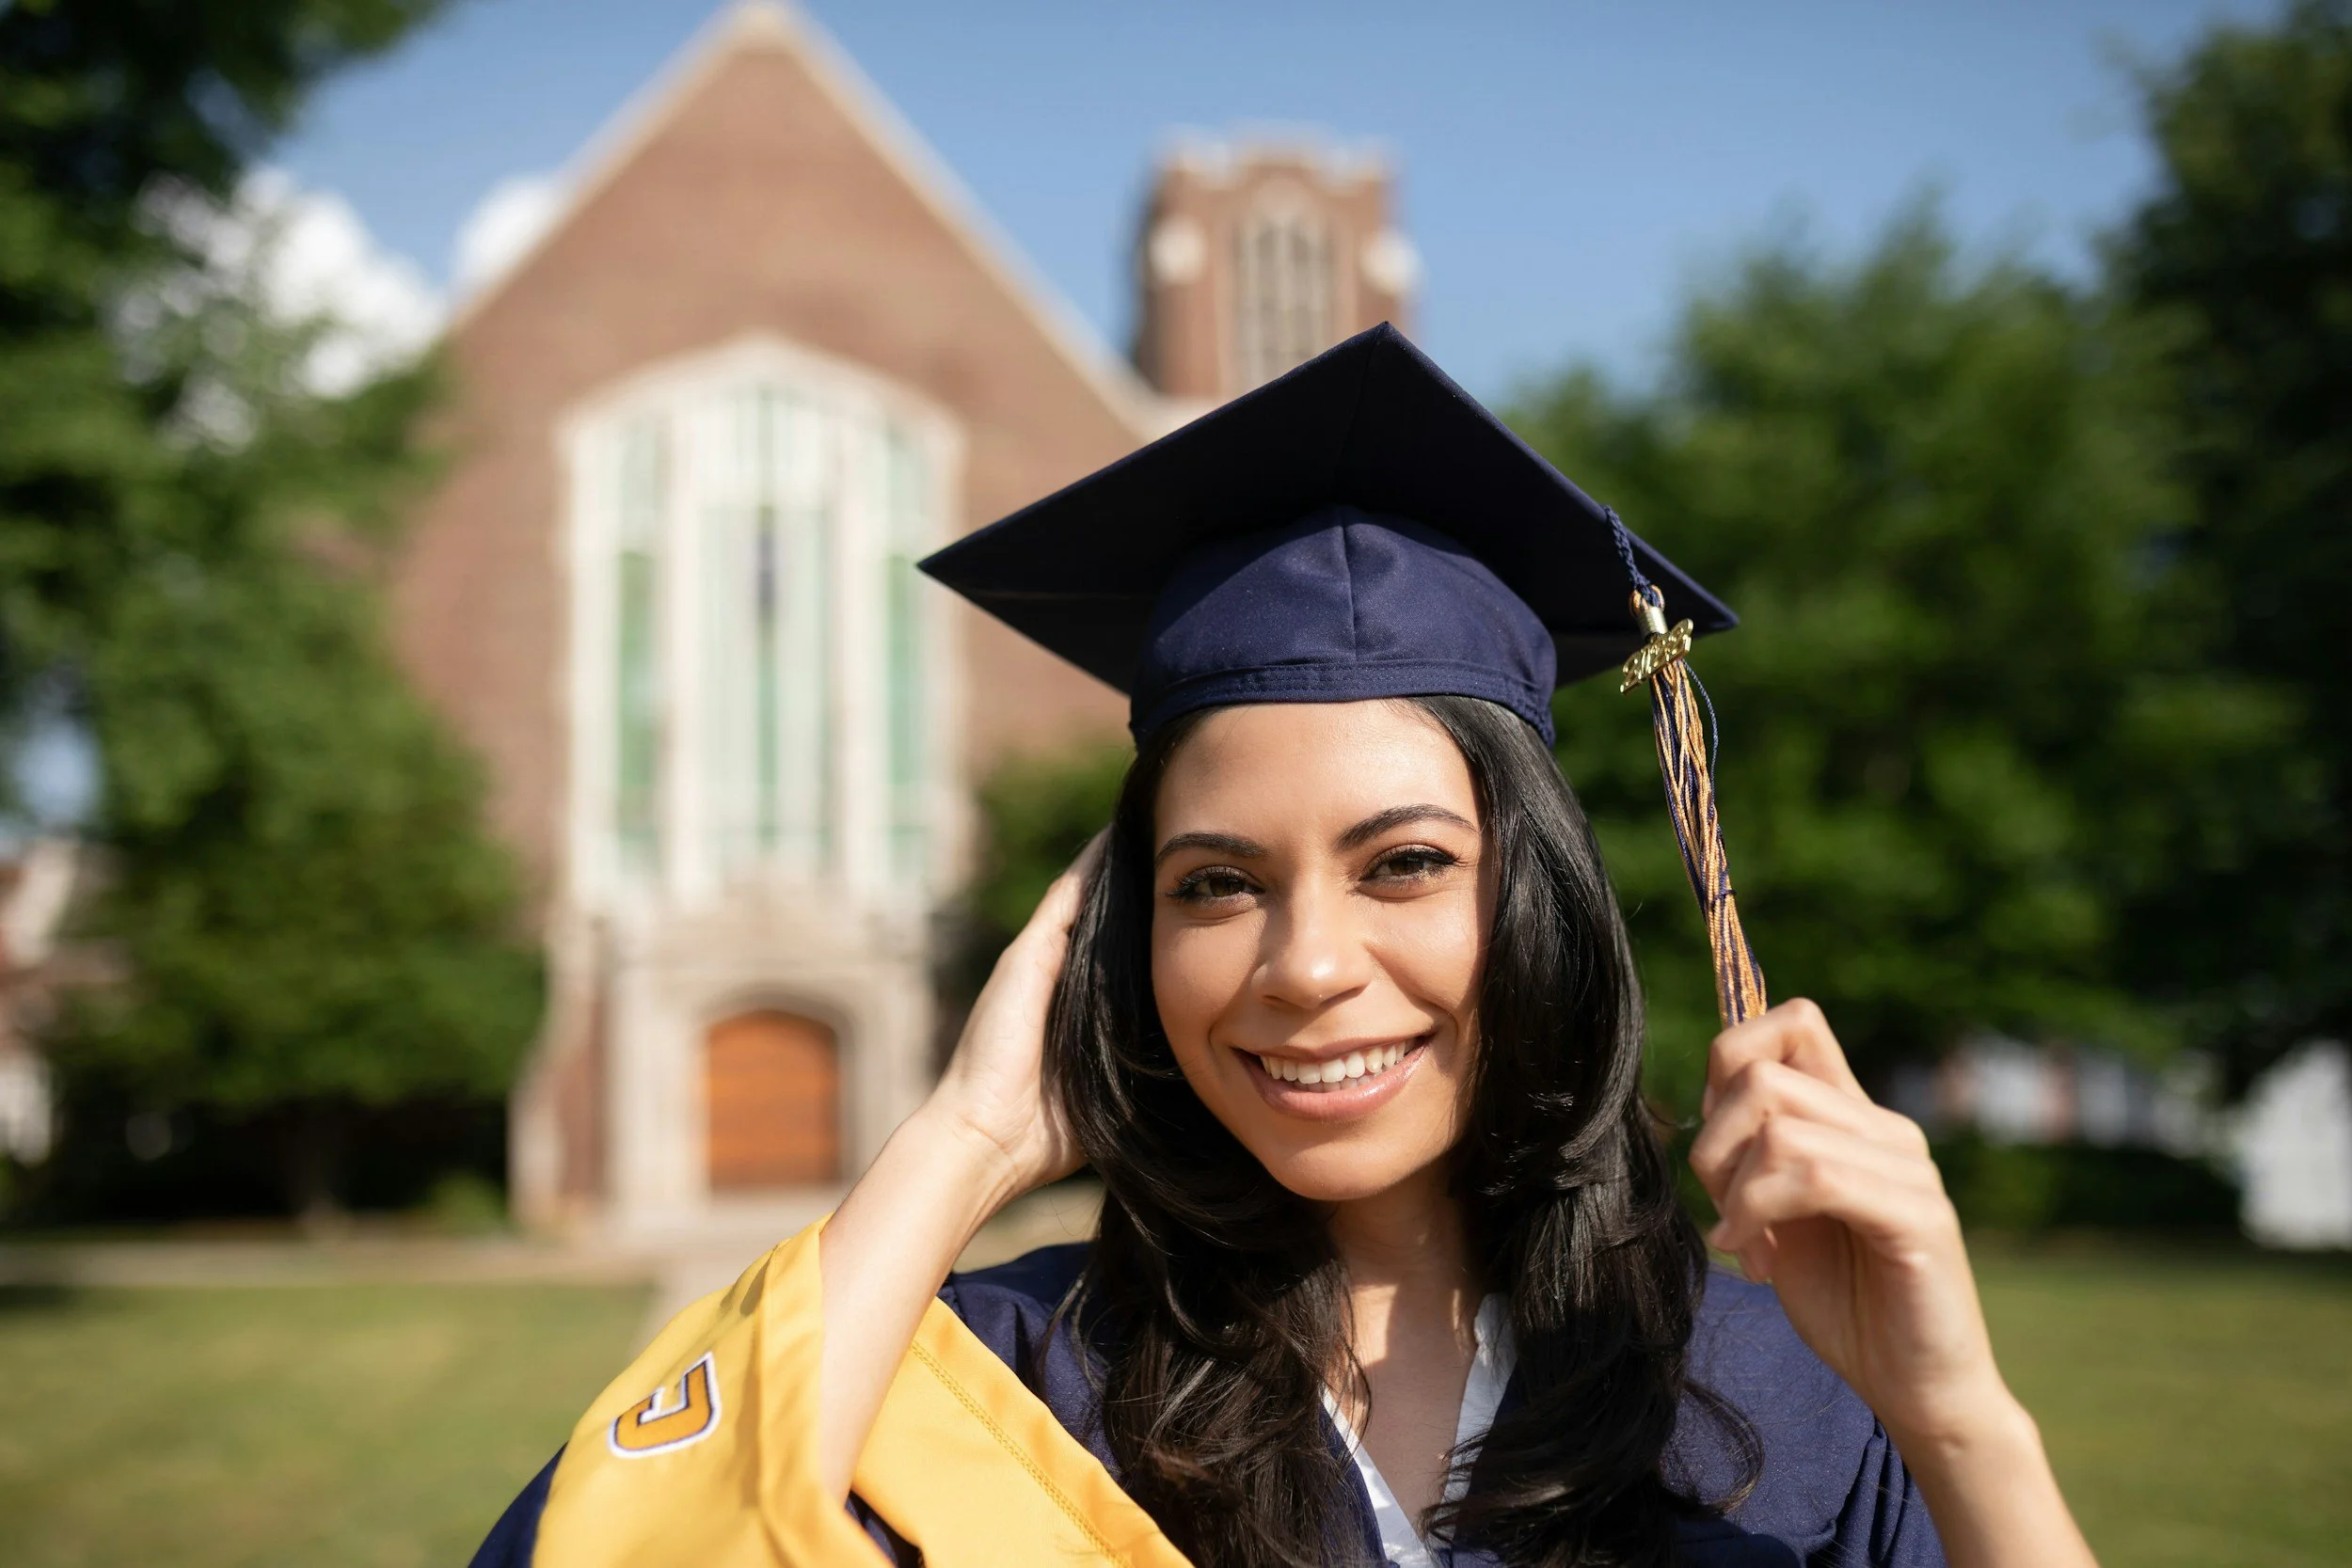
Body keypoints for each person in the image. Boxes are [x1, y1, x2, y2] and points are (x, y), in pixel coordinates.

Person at [473, 325, 2097, 1567]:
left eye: (1403, 862)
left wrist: (1960, 1420)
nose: (1305, 963)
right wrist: (964, 1143)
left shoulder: (1772, 1385)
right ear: (1119, 939)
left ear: (1533, 896)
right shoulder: (1002, 1373)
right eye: (1215, 883)